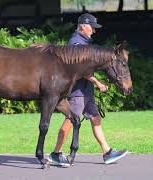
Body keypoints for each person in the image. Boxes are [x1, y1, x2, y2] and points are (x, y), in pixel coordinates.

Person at [48, 13, 128, 167]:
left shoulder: (85, 42)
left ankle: (107, 152)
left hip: (87, 91)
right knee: (70, 120)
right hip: (77, 91)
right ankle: (55, 153)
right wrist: (98, 82)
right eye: (92, 27)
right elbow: (81, 70)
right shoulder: (75, 44)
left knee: (95, 118)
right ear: (83, 26)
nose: (94, 31)